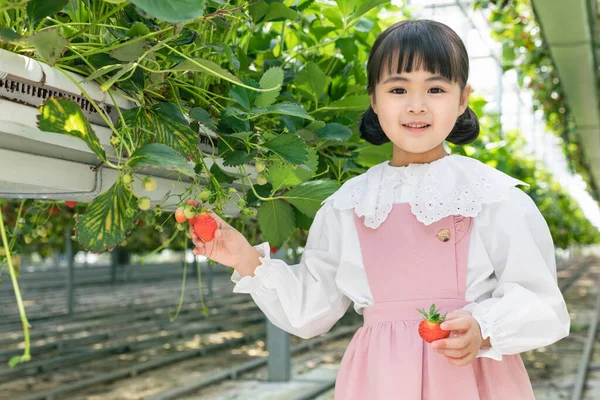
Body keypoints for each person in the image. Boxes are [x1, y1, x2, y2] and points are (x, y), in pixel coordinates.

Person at [191, 19, 570, 399]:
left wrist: (484, 327)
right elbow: (310, 311)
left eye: (435, 88)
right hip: (381, 382)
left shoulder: (493, 197)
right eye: (398, 88)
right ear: (374, 99)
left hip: (470, 378)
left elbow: (543, 304)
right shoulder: (349, 204)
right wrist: (245, 259)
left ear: (462, 98)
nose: (417, 105)